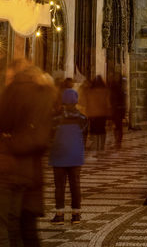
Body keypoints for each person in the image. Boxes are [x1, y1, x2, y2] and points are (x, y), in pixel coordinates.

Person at [0, 60, 56, 247]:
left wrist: (4, 139)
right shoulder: (45, 92)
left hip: (7, 168)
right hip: (29, 172)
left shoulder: (18, 88)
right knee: (16, 227)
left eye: (8, 76)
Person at [48, 88, 88, 225]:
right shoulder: (83, 119)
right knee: (75, 185)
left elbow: (50, 136)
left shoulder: (55, 119)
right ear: (76, 101)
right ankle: (76, 214)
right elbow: (84, 137)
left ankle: (59, 215)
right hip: (76, 156)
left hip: (59, 155)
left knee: (59, 186)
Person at [85, 74, 110, 155]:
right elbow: (107, 102)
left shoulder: (90, 91)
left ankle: (95, 146)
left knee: (94, 131)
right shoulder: (105, 91)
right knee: (102, 130)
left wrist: (88, 112)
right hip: (102, 114)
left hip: (93, 114)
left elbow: (88, 103)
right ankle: (101, 146)